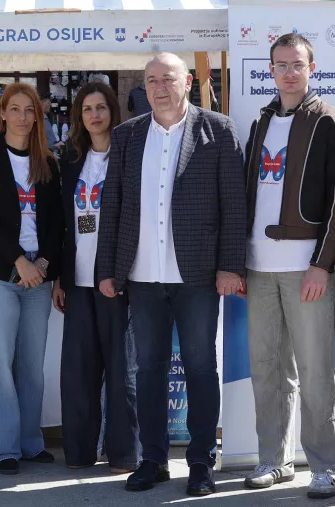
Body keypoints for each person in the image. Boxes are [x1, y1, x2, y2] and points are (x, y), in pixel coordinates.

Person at [96, 53, 246, 496]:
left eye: (168, 78)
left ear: (188, 82)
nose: (160, 87)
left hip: (198, 275)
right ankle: (153, 460)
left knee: (200, 367)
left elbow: (234, 205)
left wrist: (229, 267)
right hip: (142, 276)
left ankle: (201, 462)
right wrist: (108, 269)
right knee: (149, 370)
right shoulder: (127, 136)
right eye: (152, 80)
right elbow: (113, 206)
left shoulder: (217, 130)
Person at [240, 33, 335, 499]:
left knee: (314, 372)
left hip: (306, 267)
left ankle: (325, 467)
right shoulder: (261, 121)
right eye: (281, 64)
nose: (289, 72)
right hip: (258, 269)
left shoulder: (330, 122)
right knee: (267, 369)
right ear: (270, 69)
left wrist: (321, 266)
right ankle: (274, 460)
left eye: (297, 64)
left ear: (312, 67)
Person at [0, 82, 64, 475]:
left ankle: (29, 442)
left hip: (38, 277)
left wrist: (43, 264)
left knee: (31, 366)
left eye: (31, 111)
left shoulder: (48, 161)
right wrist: (17, 260)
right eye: (16, 109)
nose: (23, 117)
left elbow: (59, 222)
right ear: (3, 113)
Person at [53, 81, 138, 474]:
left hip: (116, 280)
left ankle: (122, 454)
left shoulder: (129, 154)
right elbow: (60, 225)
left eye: (100, 107)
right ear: (79, 116)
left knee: (121, 371)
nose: (94, 115)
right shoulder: (70, 160)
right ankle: (80, 452)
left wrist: (119, 273)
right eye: (86, 109)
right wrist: (58, 277)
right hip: (78, 281)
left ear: (112, 111)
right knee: (78, 371)